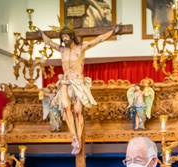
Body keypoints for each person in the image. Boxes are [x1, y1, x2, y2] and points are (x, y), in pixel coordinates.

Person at [38, 21, 121, 154]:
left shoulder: (81, 48)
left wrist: (112, 32)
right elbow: (49, 43)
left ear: (72, 37)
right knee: (65, 107)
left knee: (77, 111)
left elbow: (97, 40)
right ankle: (74, 137)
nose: (64, 39)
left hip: (77, 82)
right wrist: (41, 34)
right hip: (65, 82)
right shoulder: (62, 50)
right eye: (62, 37)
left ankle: (79, 136)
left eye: (66, 37)